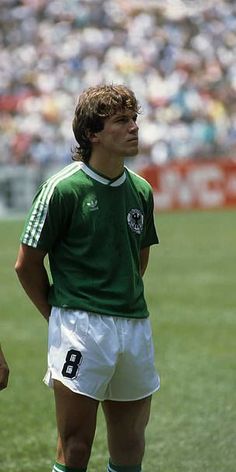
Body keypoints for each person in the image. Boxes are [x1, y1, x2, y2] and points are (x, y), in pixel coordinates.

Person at [15, 84, 160, 472]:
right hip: (79, 327)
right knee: (75, 448)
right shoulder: (62, 188)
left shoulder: (141, 191)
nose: (134, 128)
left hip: (134, 325)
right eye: (121, 121)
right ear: (93, 133)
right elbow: (26, 264)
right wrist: (57, 314)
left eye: (134, 119)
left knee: (130, 450)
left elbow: (137, 261)